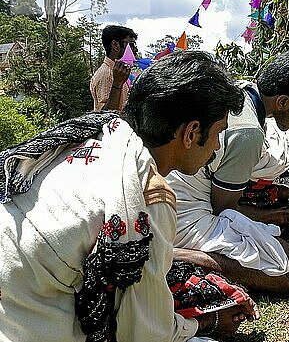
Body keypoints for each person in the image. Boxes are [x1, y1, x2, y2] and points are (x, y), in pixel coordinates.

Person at [0, 51, 259, 342]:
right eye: (218, 133)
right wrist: (208, 323)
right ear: (191, 133)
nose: (215, 148)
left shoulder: (99, 135)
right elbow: (144, 333)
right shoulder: (149, 194)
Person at [169, 50, 289, 294]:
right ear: (283, 102)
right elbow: (226, 211)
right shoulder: (249, 132)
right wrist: (282, 215)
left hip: (172, 204)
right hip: (185, 217)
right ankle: (179, 257)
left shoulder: (242, 92)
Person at [90, 25, 138, 111]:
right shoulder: (107, 74)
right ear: (115, 45)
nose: (135, 49)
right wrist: (117, 84)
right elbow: (104, 116)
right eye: (131, 45)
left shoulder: (120, 72)